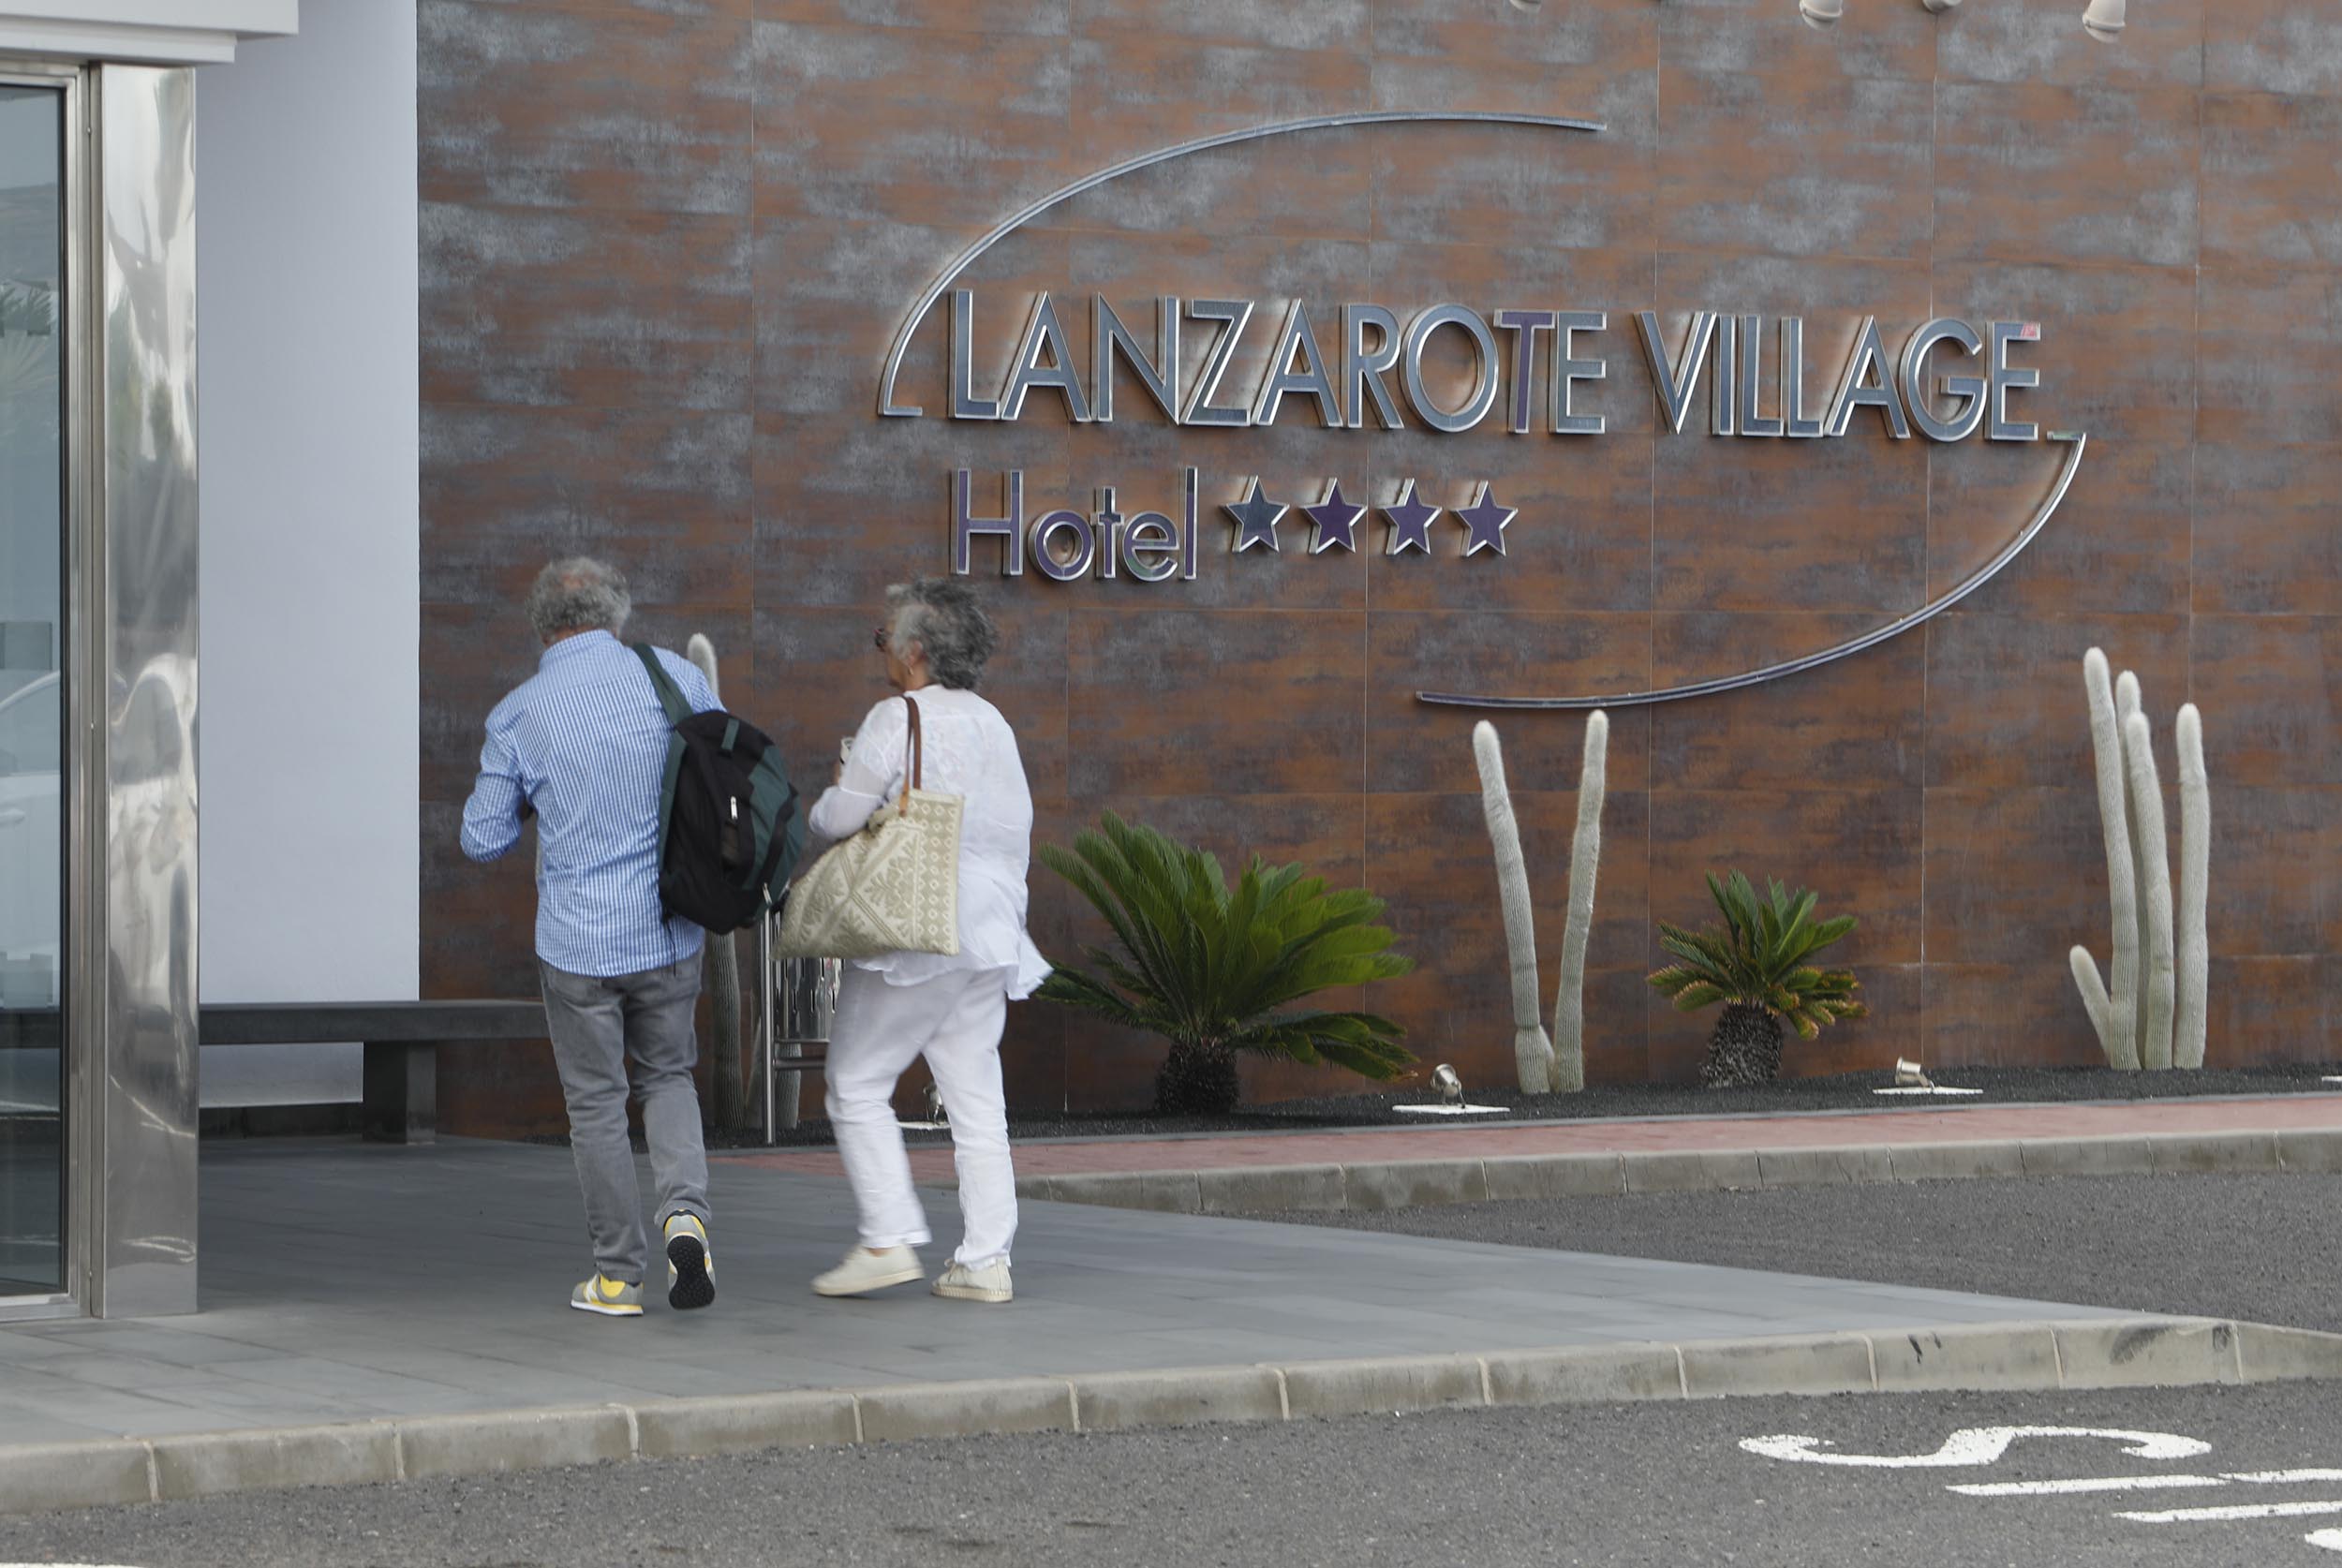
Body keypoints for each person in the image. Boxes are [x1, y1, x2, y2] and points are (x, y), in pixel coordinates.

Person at [459, 556, 722, 1319]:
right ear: (619, 614)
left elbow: (481, 839)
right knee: (669, 1077)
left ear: (541, 625)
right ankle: (686, 1219)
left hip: (577, 943)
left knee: (598, 1106)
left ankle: (617, 1277)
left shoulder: (520, 712)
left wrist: (537, 802)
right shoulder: (674, 676)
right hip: (670, 927)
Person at [805, 576, 1047, 1305]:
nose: (881, 652)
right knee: (975, 1097)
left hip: (916, 925)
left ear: (914, 650)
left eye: (884, 640)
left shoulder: (896, 715)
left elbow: (837, 822)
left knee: (855, 1082)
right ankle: (984, 1260)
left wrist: (838, 787)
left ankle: (887, 1237)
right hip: (990, 932)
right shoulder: (995, 724)